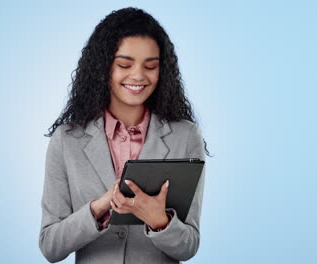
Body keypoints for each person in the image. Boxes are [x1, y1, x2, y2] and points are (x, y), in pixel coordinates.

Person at [39, 7, 209, 264]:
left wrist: (159, 221)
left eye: (150, 66)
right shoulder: (66, 141)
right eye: (124, 64)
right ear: (103, 67)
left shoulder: (185, 136)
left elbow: (189, 245)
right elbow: (50, 246)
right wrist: (100, 207)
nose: (138, 75)